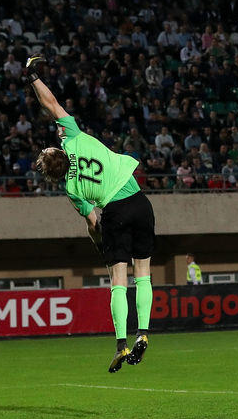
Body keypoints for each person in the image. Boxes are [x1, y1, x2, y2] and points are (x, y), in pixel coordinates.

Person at [26, 56, 155, 373]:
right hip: (140, 201)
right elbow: (51, 103)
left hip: (114, 213)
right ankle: (145, 334)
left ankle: (122, 344)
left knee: (119, 282)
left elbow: (94, 222)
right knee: (145, 274)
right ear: (57, 150)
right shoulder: (73, 136)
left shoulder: (71, 188)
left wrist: (100, 242)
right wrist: (31, 76)